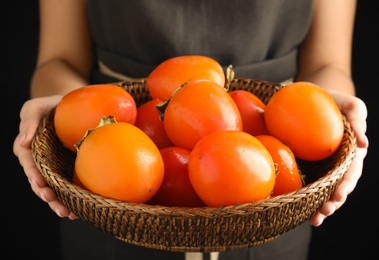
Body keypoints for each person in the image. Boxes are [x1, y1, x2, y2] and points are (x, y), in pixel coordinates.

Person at [13, 0, 368, 259]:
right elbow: (59, 58)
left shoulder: (245, 143)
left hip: (275, 204)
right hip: (109, 201)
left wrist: (333, 115)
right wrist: (62, 107)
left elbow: (328, 63)